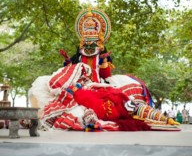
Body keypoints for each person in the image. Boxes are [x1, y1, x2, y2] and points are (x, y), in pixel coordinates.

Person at [29, 7, 180, 131]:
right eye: (86, 32)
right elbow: (70, 70)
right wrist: (68, 62)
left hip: (98, 82)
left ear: (98, 33)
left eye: (92, 30)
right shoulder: (79, 52)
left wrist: (105, 61)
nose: (89, 41)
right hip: (78, 84)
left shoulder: (101, 51)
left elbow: (105, 73)